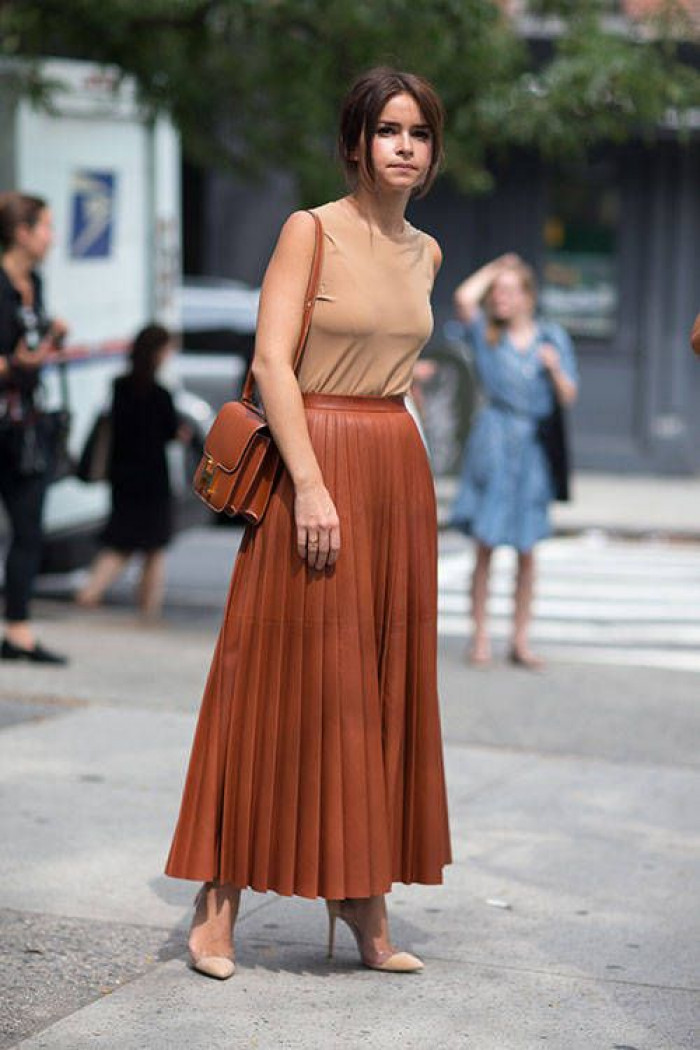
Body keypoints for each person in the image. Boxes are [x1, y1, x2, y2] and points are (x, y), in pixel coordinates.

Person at [165, 67, 452, 980]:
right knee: (273, 681)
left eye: (419, 133)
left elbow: (401, 372)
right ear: (355, 142)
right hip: (313, 468)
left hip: (393, 471)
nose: (404, 146)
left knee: (373, 687)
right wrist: (313, 486)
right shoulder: (310, 230)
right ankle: (216, 904)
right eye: (388, 130)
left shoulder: (429, 253)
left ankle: (363, 899)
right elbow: (271, 365)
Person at [450, 254, 578, 670]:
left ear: (527, 297)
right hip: (493, 441)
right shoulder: (486, 334)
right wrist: (493, 269)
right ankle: (480, 636)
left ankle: (520, 639)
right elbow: (463, 298)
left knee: (527, 550)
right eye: (496, 292)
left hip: (533, 450)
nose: (498, 298)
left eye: (508, 291)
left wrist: (555, 370)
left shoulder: (552, 338)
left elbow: (569, 396)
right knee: (484, 546)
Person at [76, 324, 187, 619]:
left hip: (123, 475)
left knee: (122, 541)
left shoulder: (119, 387)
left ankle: (94, 591)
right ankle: (145, 609)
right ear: (158, 353)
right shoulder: (161, 394)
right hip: (152, 478)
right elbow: (170, 432)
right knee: (152, 547)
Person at [0, 192, 68, 665]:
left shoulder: (35, 284)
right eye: (44, 226)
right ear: (21, 232)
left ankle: (18, 629)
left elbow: (30, 352)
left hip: (27, 424)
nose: (51, 236)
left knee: (29, 528)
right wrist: (12, 366)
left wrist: (48, 341)